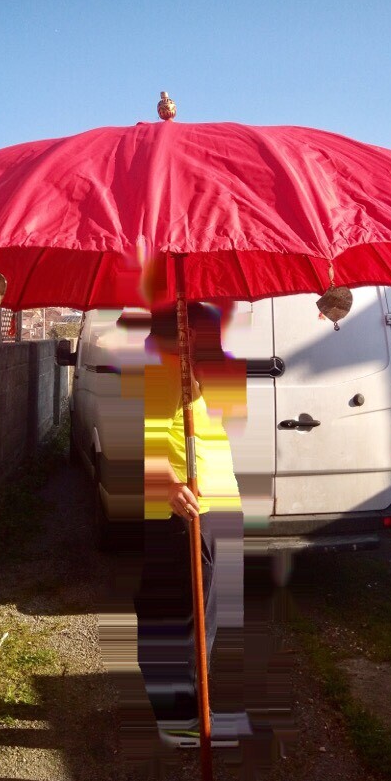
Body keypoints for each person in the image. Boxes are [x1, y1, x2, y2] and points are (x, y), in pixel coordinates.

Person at [134, 302, 249, 748]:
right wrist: (165, 484)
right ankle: (185, 718)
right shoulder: (163, 375)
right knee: (184, 616)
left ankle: (189, 712)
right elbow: (144, 439)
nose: (209, 344)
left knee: (197, 616)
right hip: (185, 512)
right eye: (198, 336)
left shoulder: (200, 379)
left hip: (211, 506)